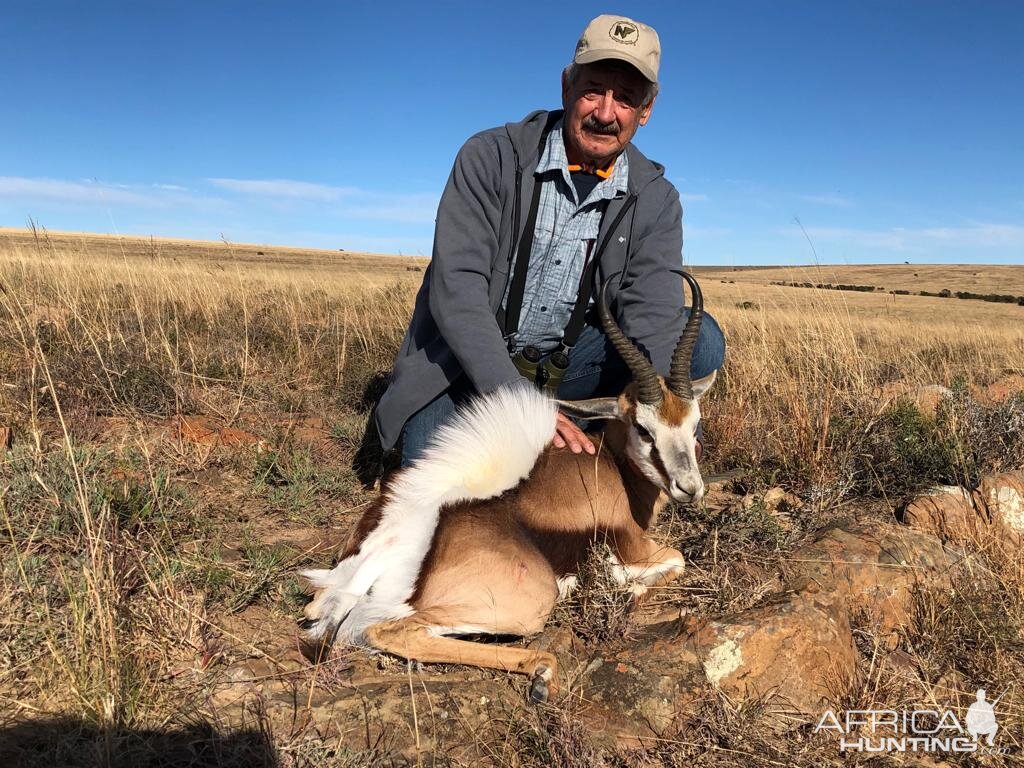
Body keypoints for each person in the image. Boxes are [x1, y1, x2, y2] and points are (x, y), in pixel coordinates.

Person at [369, 14, 726, 473]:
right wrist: (521, 406)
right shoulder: (490, 157)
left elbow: (652, 314)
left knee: (702, 341)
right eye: (593, 89)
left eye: (626, 99)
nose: (605, 112)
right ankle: (557, 429)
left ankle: (607, 430)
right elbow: (457, 292)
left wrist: (668, 424)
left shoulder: (656, 198)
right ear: (566, 86)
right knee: (442, 481)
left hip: (568, 365)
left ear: (646, 111)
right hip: (470, 368)